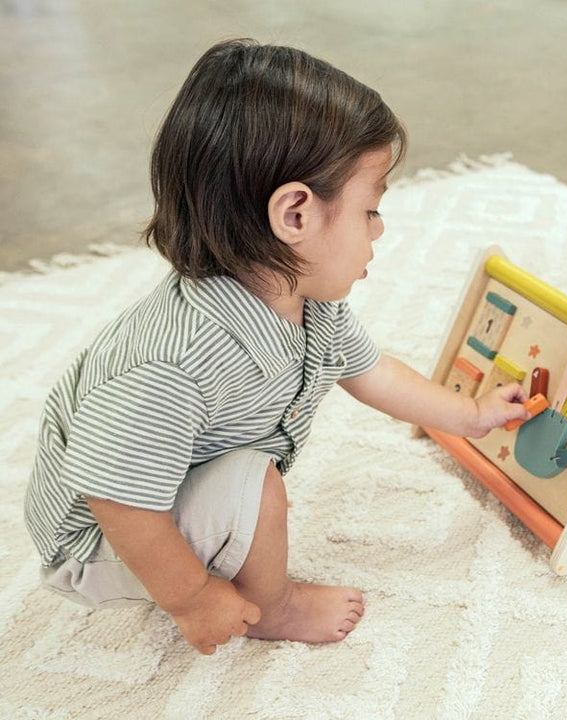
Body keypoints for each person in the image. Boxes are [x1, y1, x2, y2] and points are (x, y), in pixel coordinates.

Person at [24, 39, 529, 655]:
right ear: (295, 215)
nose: (380, 229)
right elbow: (119, 502)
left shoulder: (310, 301)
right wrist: (193, 598)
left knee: (249, 481)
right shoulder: (173, 363)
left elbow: (373, 372)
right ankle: (273, 605)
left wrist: (471, 415)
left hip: (154, 495)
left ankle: (230, 547)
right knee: (256, 487)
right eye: (370, 211)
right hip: (101, 540)